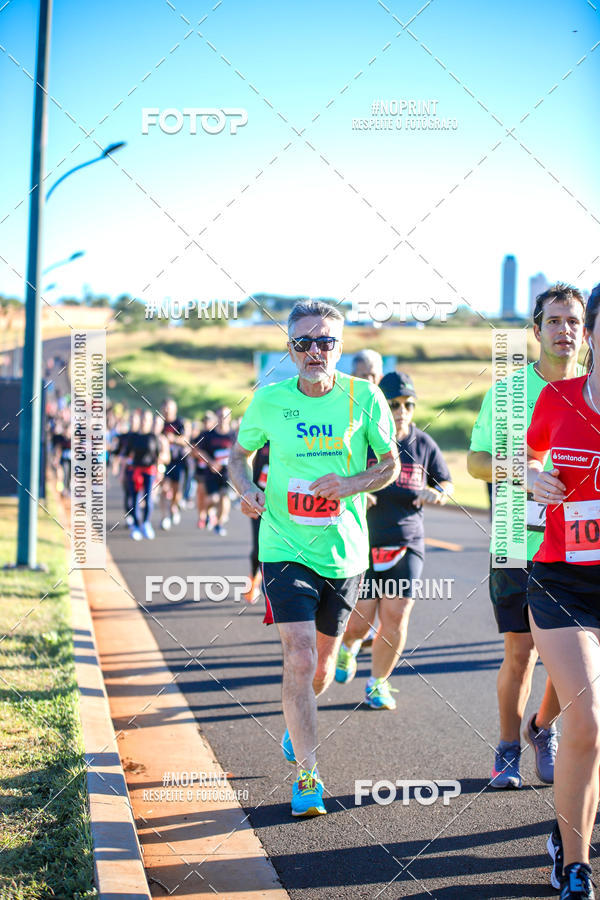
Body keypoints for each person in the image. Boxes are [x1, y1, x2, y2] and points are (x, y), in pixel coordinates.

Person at [229, 299, 399, 817]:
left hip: (343, 551)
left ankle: (294, 722)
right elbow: (239, 454)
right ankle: (309, 776)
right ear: (290, 349)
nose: (314, 351)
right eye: (303, 342)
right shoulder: (269, 401)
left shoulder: (364, 397)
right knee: (299, 657)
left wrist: (349, 483)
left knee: (322, 668)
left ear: (340, 348)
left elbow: (390, 464)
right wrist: (244, 487)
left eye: (325, 341)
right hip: (283, 546)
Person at [467, 283, 586, 788]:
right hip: (520, 538)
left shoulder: (594, 389)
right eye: (554, 321)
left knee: (574, 659)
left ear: (587, 332)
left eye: (574, 322)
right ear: (536, 331)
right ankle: (508, 744)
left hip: (581, 544)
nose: (565, 330)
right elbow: (475, 462)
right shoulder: (511, 392)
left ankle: (544, 727)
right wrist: (525, 473)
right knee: (521, 652)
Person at [525, 286, 600, 899]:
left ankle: (562, 831)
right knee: (589, 721)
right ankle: (575, 864)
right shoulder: (557, 398)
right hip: (561, 578)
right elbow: (518, 456)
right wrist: (527, 474)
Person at [335, 371, 453, 708]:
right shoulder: (363, 440)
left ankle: (377, 684)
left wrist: (440, 493)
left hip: (407, 543)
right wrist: (356, 492)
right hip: (364, 544)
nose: (402, 410)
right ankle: (348, 646)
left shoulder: (424, 445)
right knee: (359, 622)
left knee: (396, 617)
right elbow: (340, 481)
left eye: (408, 404)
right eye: (394, 404)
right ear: (382, 408)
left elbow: (446, 481)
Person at [195, 406, 235, 536]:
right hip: (211, 473)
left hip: (227, 473)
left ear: (229, 418)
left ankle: (219, 523)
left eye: (225, 416)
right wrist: (210, 462)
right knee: (212, 498)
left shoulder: (234, 435)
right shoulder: (209, 434)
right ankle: (207, 514)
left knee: (224, 497)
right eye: (220, 416)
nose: (223, 419)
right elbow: (197, 450)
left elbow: (242, 452)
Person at [124, 409, 160, 540]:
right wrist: (124, 469)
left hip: (149, 471)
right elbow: (127, 454)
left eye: (148, 420)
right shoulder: (133, 436)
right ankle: (135, 525)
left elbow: (158, 455)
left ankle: (146, 523)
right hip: (135, 471)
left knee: (148, 499)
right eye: (143, 419)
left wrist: (159, 471)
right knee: (134, 499)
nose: (145, 422)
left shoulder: (153, 437)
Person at [243, 441, 270, 603]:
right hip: (260, 499)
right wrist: (248, 489)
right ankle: (253, 580)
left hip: (284, 502)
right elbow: (243, 459)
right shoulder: (260, 437)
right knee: (258, 549)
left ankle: (273, 591)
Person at [160, 398, 187, 530]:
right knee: (164, 489)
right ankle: (164, 517)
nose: (166, 411)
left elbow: (186, 440)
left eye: (169, 408)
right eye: (165, 408)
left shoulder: (180, 423)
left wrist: (173, 439)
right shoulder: (160, 423)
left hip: (178, 461)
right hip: (164, 461)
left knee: (177, 492)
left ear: (175, 410)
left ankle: (174, 507)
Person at [192, 411, 217, 529]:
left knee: (211, 495)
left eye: (209, 420)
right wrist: (200, 456)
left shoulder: (216, 435)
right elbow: (193, 451)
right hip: (201, 469)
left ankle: (210, 514)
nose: (207, 423)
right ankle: (202, 516)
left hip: (213, 470)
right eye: (205, 421)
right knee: (201, 493)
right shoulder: (201, 435)